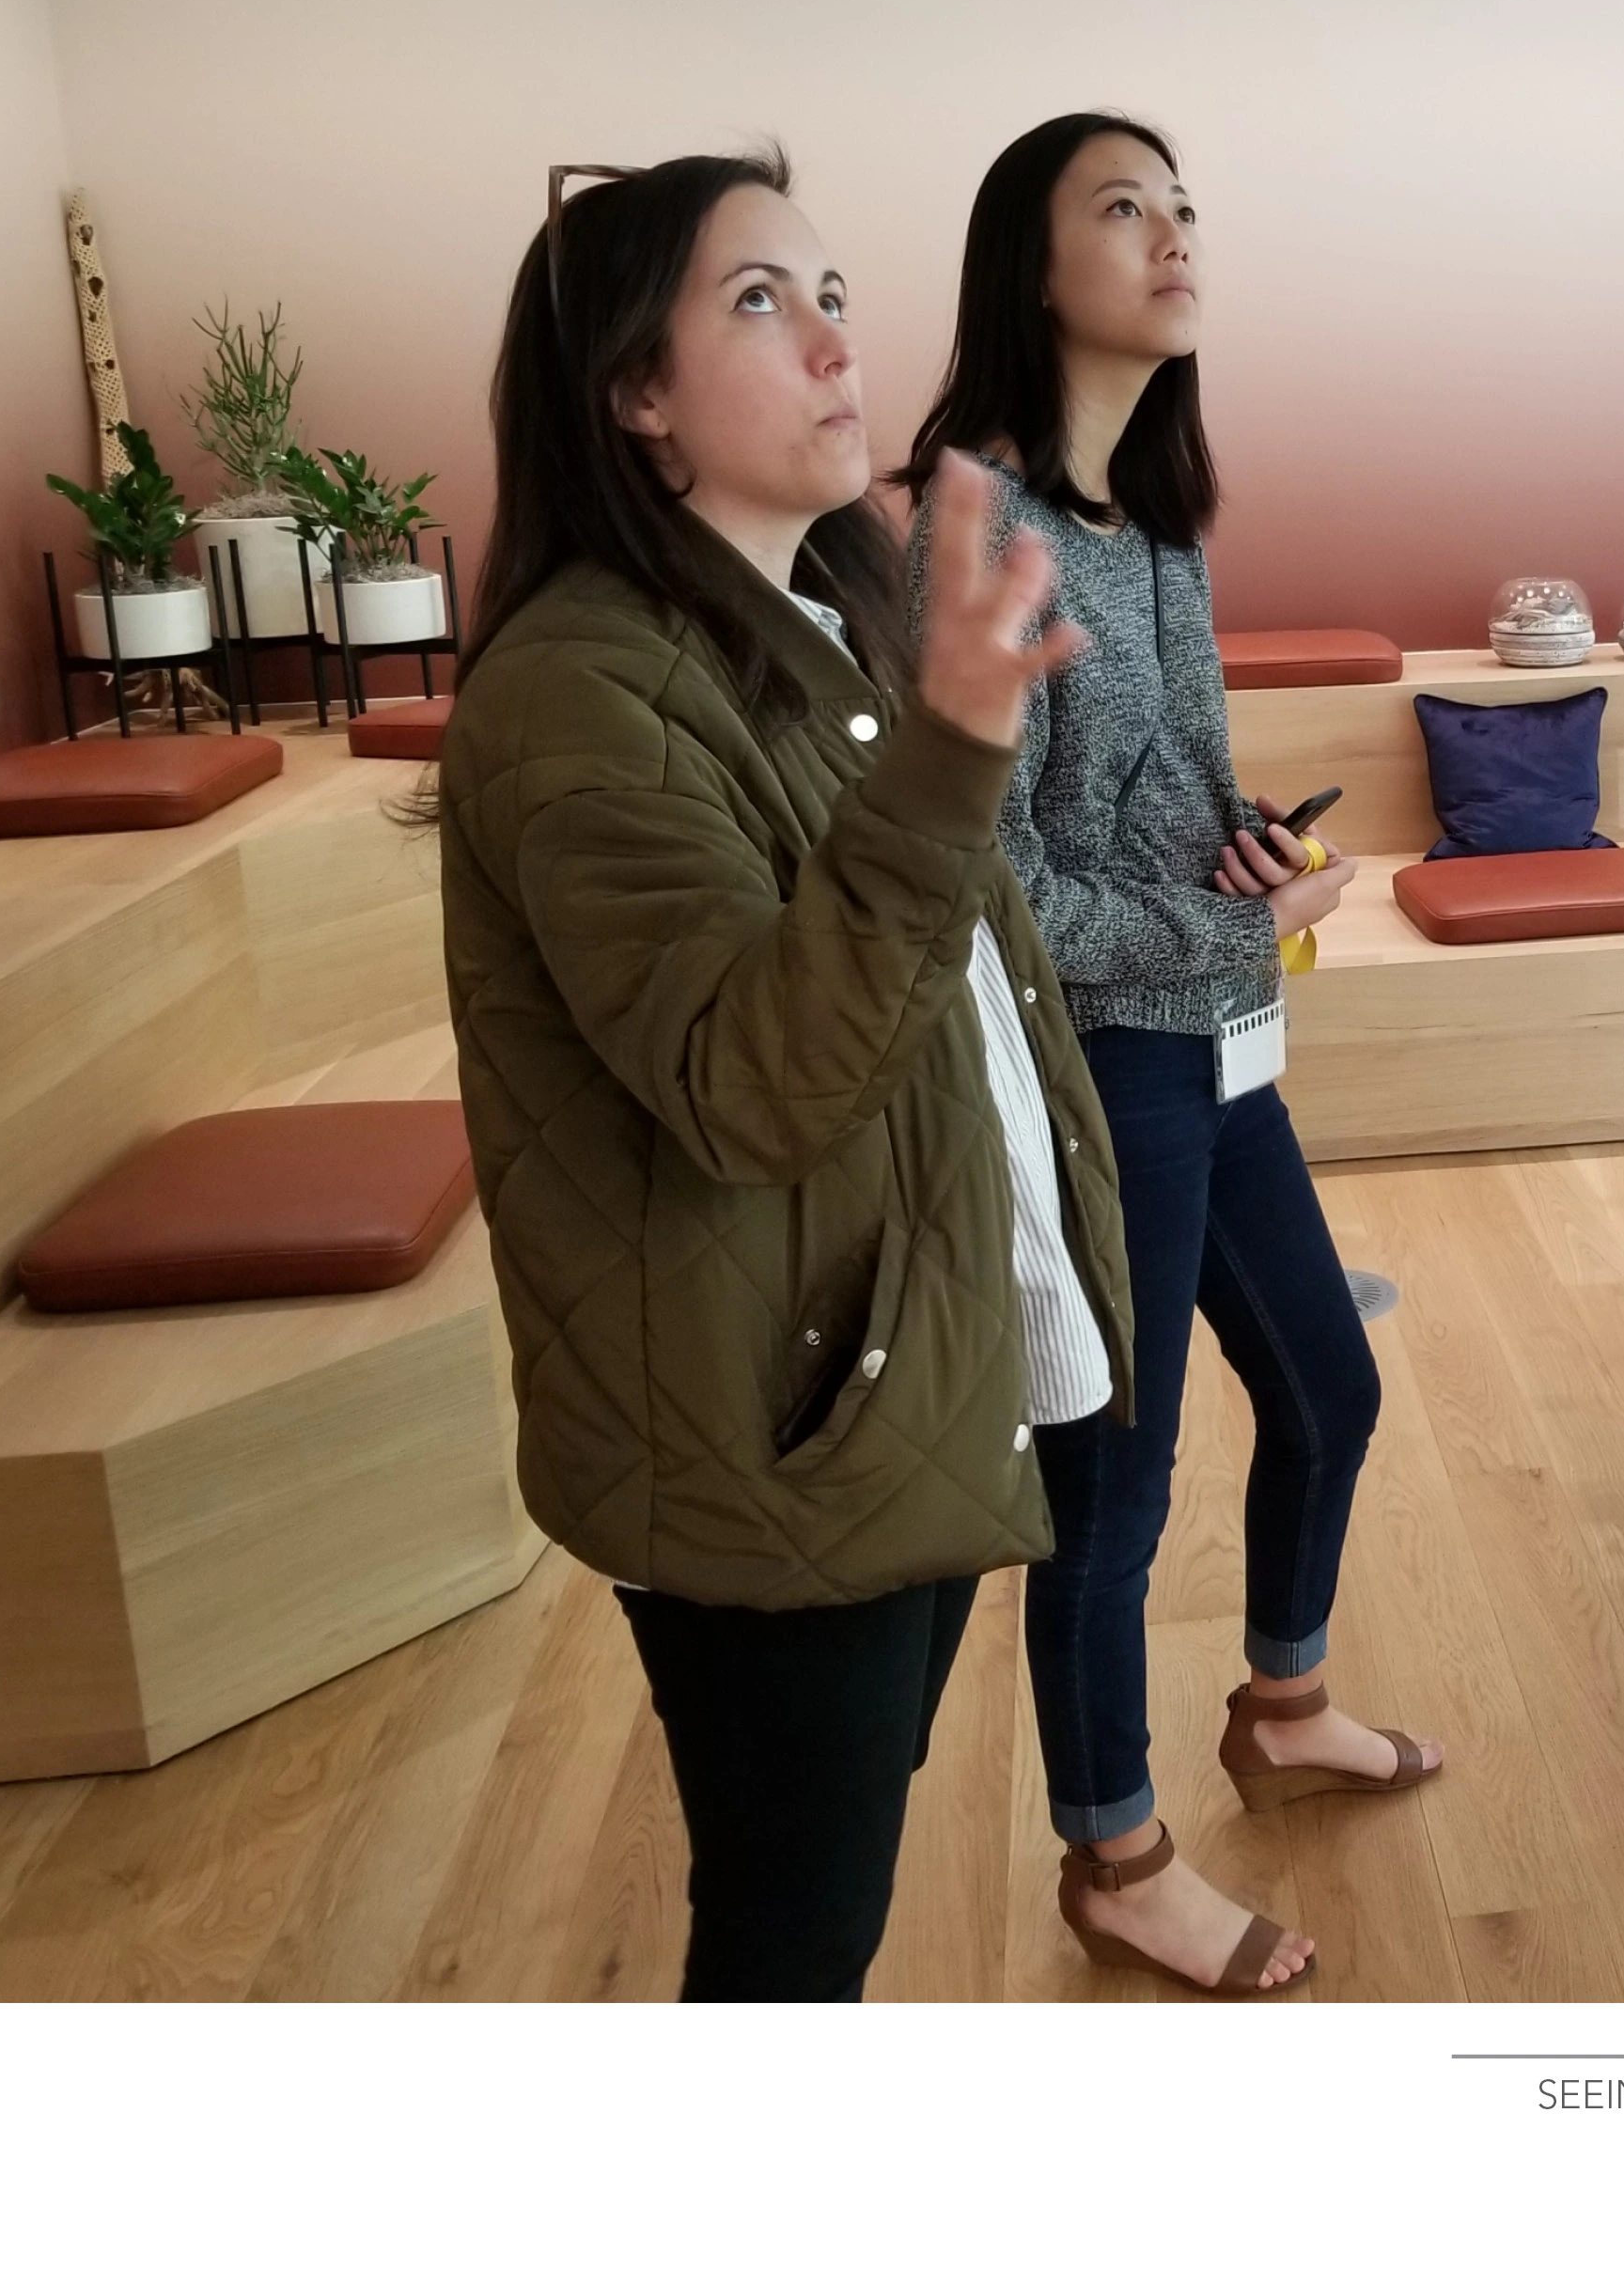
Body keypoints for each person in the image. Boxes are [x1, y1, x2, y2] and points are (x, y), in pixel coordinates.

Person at [438, 151, 1129, 2000]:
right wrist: (959, 749)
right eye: (759, 299)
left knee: (838, 1856)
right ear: (633, 394)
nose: (835, 336)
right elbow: (755, 1081)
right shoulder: (580, 691)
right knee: (792, 1936)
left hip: (879, 1358)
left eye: (833, 291)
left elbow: (945, 998)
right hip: (767, 1411)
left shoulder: (824, 626)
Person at [897, 112, 1441, 1998]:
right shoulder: (974, 522)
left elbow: (1164, 801)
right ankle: (1117, 1853)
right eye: (1123, 207)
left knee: (1330, 1391)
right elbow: (988, 884)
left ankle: (1281, 1703)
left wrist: (1248, 851)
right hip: (1097, 1066)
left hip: (1211, 1040)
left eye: (1186, 204)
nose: (1175, 234)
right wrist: (1236, 921)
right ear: (1030, 268)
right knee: (1113, 1488)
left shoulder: (1161, 516)